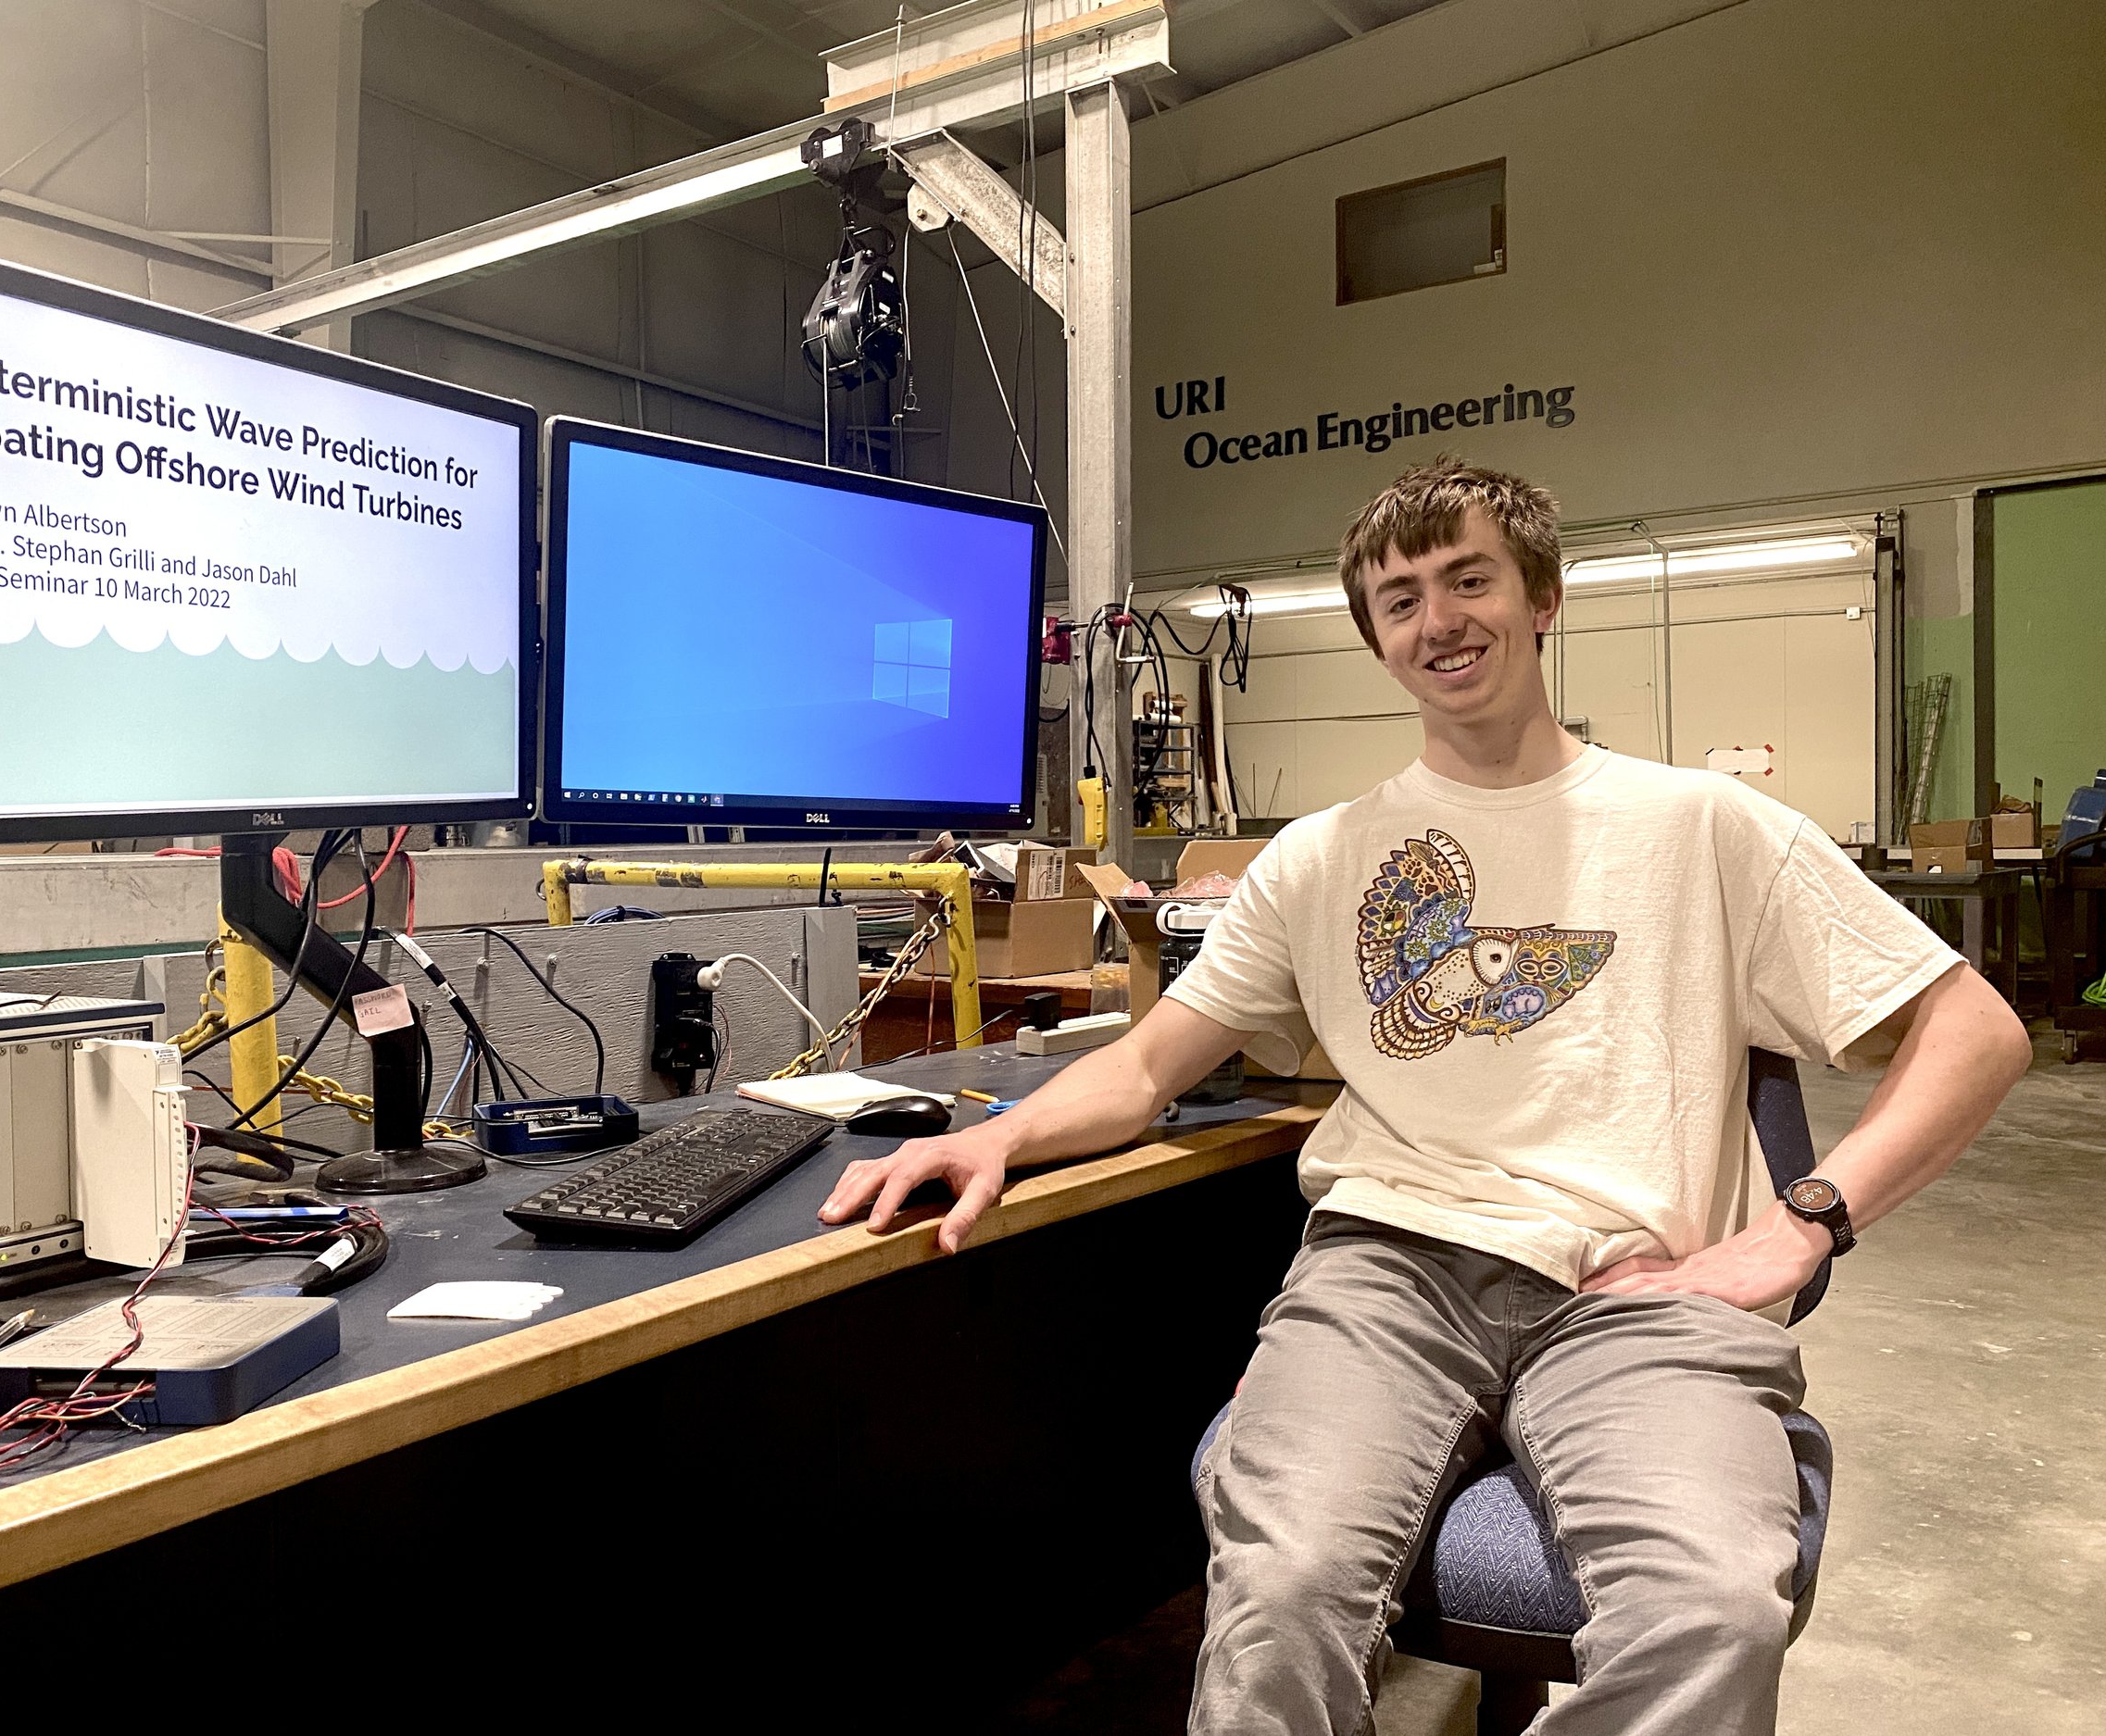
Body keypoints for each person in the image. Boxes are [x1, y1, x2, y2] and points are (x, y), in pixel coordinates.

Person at [820, 458, 2030, 1735]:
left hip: (1637, 1290)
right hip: (1388, 1275)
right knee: (1282, 1598)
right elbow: (1146, 1066)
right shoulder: (1316, 860)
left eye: (1468, 580)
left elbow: (1975, 1033)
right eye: (1400, 600)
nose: (1438, 621)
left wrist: (1802, 1223)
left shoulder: (1706, 827)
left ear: (1541, 597)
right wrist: (997, 1137)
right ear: (1378, 639)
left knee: (1710, 1613)